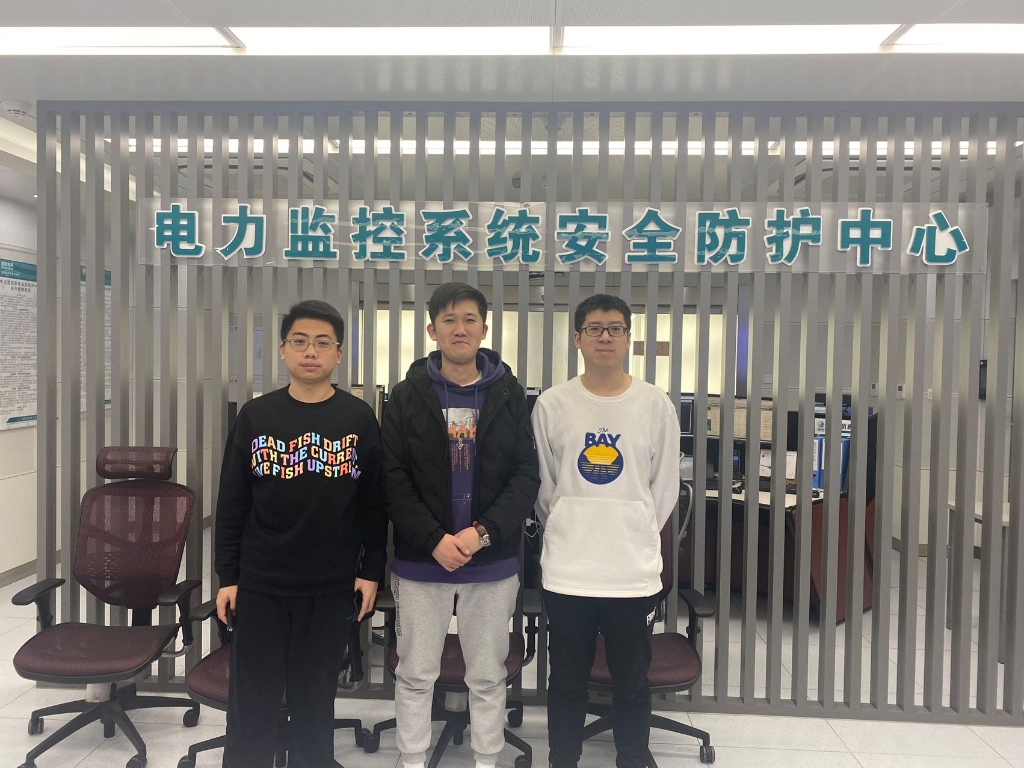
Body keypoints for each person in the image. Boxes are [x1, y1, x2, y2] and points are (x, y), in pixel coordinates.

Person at [214, 299, 387, 768]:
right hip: (261, 583)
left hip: (329, 586)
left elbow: (374, 504)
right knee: (252, 705)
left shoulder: (358, 418)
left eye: (323, 343)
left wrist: (371, 570)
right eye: (300, 341)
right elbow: (232, 503)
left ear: (338, 354)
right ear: (283, 350)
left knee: (315, 703)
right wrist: (228, 576)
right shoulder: (256, 415)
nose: (311, 351)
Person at [382, 282, 540, 768]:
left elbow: (525, 476)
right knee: (415, 674)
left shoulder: (510, 395)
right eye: (448, 320)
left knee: (488, 676)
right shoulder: (406, 396)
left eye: (469, 319)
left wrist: (481, 533)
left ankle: (486, 760)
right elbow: (392, 478)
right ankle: (412, 760)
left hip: (490, 561)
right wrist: (435, 540)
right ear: (432, 330)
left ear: (484, 329)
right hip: (421, 561)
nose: (460, 328)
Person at [532, 294, 680, 768]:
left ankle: (632, 759)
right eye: (595, 329)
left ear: (628, 338)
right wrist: (570, 523)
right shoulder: (552, 404)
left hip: (631, 573)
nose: (605, 337)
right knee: (566, 680)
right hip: (567, 570)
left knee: (632, 681)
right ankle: (563, 759)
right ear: (578, 339)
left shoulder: (655, 405)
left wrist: (634, 527)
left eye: (615, 328)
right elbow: (544, 486)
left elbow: (664, 488)